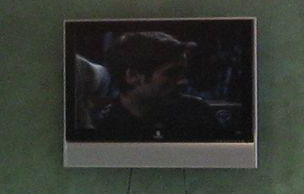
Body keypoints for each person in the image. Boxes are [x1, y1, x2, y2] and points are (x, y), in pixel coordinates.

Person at [92, 31, 228, 141]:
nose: (183, 81)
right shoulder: (101, 127)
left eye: (182, 72)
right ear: (133, 76)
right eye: (171, 73)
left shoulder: (197, 113)